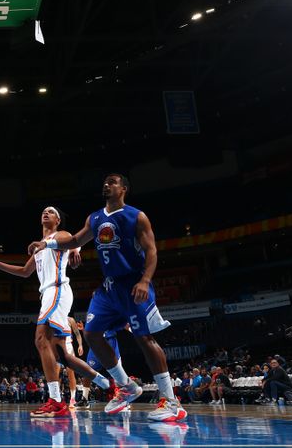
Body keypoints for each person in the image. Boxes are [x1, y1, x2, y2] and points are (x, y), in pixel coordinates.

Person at [28, 174, 186, 422]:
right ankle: (126, 386)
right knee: (91, 333)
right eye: (105, 181)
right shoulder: (95, 217)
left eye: (112, 182)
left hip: (133, 284)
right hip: (108, 288)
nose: (106, 184)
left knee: (144, 338)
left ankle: (171, 401)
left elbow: (151, 250)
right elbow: (75, 240)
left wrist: (145, 280)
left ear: (123, 189)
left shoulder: (136, 216)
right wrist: (45, 245)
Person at [0, 206, 111, 418]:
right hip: (48, 294)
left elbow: (72, 242)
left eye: (51, 212)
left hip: (58, 289)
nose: (46, 213)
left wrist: (76, 253)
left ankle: (56, 401)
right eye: (43, 211)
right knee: (59, 353)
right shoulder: (39, 247)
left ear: (58, 220)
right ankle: (106, 383)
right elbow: (25, 272)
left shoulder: (60, 235)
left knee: (41, 339)